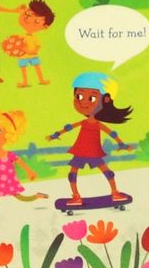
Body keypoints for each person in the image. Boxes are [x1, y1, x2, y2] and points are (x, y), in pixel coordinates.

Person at [47, 71, 136, 208]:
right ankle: (76, 196)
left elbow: (111, 133)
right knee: (72, 174)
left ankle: (115, 193)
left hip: (94, 152)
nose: (83, 102)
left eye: (92, 98)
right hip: (80, 151)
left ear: (105, 100)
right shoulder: (84, 122)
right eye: (79, 96)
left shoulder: (98, 124)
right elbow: (69, 127)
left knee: (107, 172)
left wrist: (121, 144)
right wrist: (56, 134)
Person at [0, 109, 48, 231]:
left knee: (22, 198)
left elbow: (21, 163)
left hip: (10, 182)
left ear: (8, 135)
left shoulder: (10, 155)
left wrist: (30, 172)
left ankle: (36, 196)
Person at [3, 0, 55, 87]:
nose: (29, 20)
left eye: (36, 21)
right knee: (23, 69)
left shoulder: (34, 38)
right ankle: (25, 82)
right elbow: (14, 46)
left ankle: (42, 80)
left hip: (33, 56)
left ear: (44, 27)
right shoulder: (20, 37)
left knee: (37, 67)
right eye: (27, 16)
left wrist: (29, 51)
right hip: (22, 57)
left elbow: (37, 48)